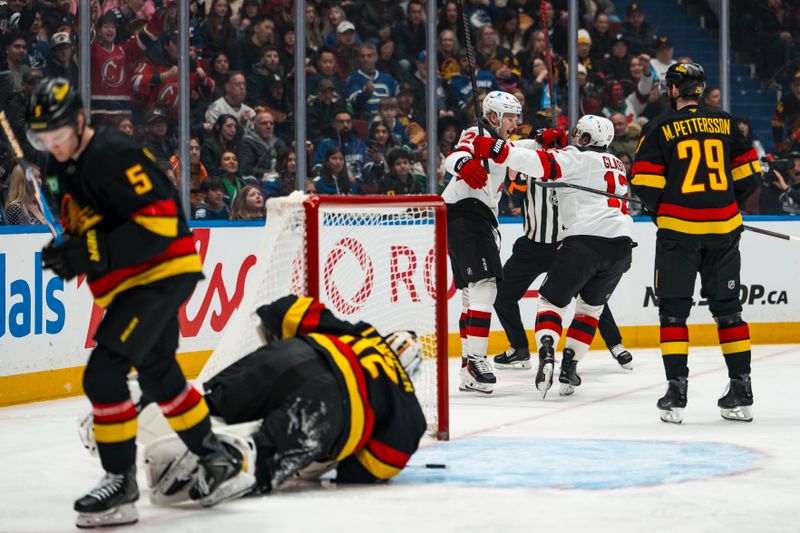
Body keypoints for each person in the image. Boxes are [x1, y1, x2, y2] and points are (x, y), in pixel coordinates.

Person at [27, 77, 250, 528]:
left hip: (161, 275)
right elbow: (87, 228)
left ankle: (120, 483)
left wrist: (91, 252)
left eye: (59, 134)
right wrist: (70, 250)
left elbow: (161, 222)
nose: (54, 145)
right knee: (158, 374)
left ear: (79, 121)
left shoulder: (113, 153)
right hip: (133, 284)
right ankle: (215, 458)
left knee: (104, 374)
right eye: (44, 138)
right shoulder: (56, 168)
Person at [134, 294, 426, 500]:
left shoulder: (362, 334)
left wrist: (273, 328)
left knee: (210, 405)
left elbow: (286, 311)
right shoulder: (406, 401)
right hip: (330, 404)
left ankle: (144, 403)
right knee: (264, 458)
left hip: (292, 356)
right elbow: (381, 464)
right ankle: (238, 462)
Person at [466, 115, 634, 398]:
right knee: (590, 310)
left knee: (551, 303)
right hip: (621, 246)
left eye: (578, 134)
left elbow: (538, 165)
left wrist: (496, 149)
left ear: (584, 138)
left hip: (584, 242)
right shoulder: (615, 163)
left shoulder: (578, 159)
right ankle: (570, 365)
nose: (573, 138)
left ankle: (546, 348)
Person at [631, 63, 762, 424]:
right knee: (729, 312)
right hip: (724, 232)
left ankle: (677, 390)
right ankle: (742, 387)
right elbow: (750, 175)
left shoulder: (660, 126)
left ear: (674, 90)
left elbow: (645, 184)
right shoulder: (725, 122)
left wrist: (665, 211)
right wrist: (721, 203)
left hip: (679, 234)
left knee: (673, 312)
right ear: (699, 90)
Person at [442, 90, 534, 394]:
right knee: (486, 285)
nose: (514, 122)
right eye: (509, 117)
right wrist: (463, 165)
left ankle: (467, 370)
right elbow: (453, 156)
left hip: (468, 217)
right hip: (465, 213)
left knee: (471, 296)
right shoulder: (476, 131)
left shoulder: (502, 145)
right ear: (493, 115)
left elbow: (528, 154)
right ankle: (477, 360)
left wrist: (549, 141)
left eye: (516, 117)